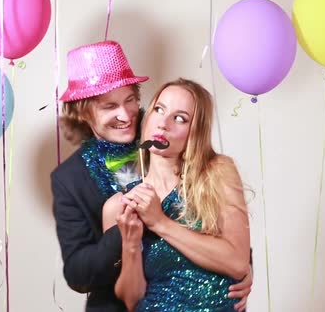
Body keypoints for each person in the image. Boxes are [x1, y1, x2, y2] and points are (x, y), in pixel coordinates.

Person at [51, 41, 252, 312]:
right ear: (83, 112)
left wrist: (239, 269)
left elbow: (230, 240)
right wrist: (126, 238)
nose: (125, 115)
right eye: (109, 106)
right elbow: (78, 273)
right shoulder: (70, 179)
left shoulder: (161, 130)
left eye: (131, 100)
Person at [102, 78, 251, 311]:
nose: (163, 124)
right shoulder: (119, 205)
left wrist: (159, 222)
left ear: (195, 132)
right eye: (159, 110)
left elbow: (237, 263)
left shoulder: (217, 173)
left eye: (180, 118)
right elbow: (131, 299)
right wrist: (130, 244)